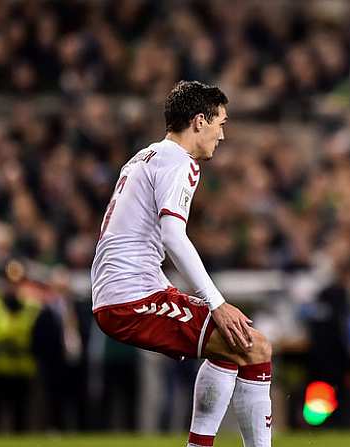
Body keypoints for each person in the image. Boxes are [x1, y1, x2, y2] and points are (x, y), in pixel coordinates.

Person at [91, 81, 272, 447]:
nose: (222, 135)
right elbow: (173, 235)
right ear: (199, 121)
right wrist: (216, 304)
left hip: (125, 290)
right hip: (131, 296)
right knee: (255, 347)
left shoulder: (145, 156)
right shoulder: (180, 162)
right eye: (221, 123)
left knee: (232, 346)